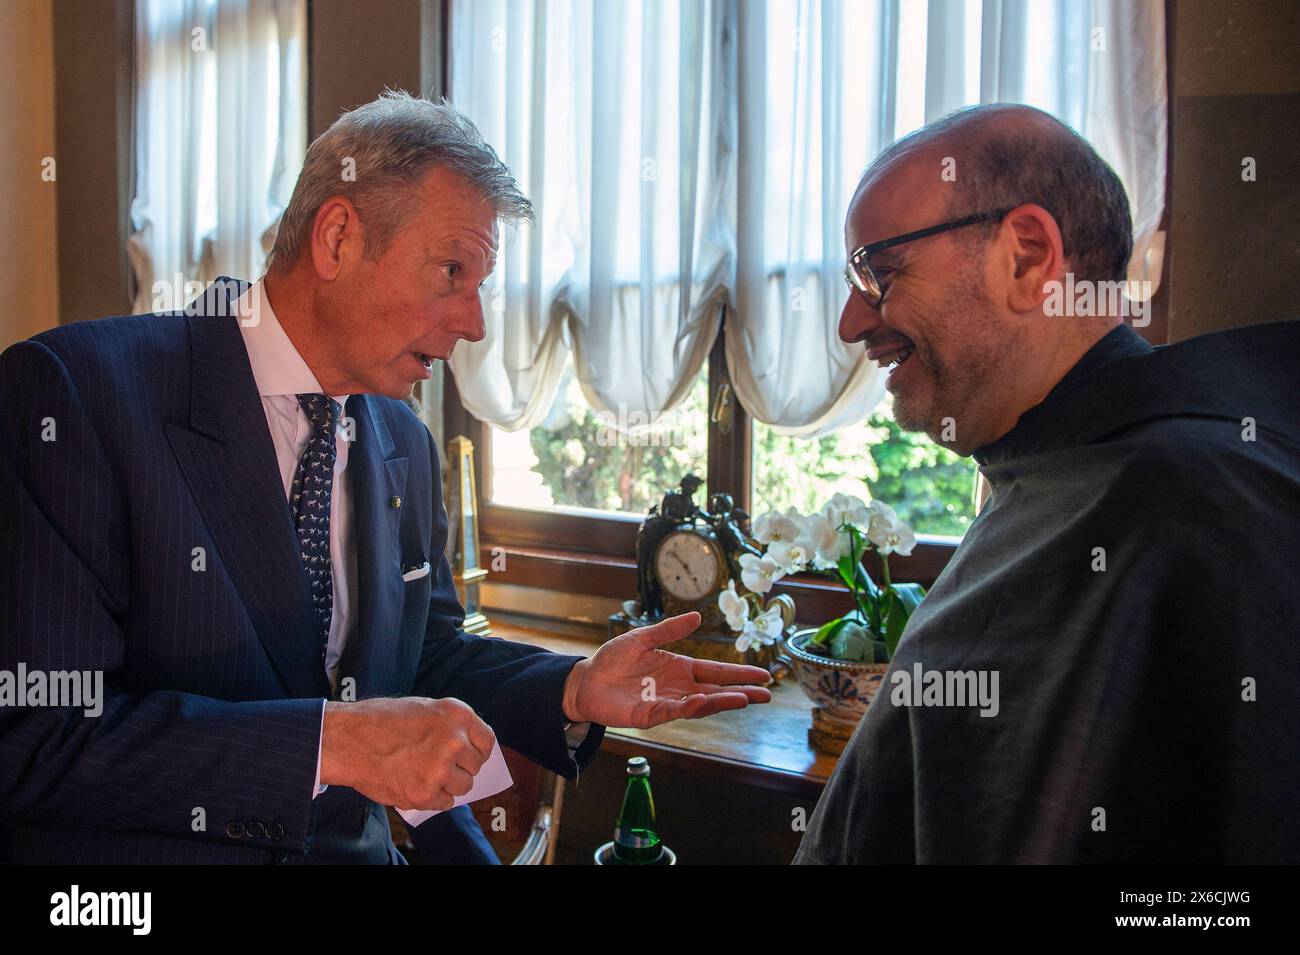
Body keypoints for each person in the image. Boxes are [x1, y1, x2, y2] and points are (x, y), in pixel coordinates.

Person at [0, 92, 771, 864]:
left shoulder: (403, 436)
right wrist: (332, 742)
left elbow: (423, 653)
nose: (474, 324)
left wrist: (569, 688)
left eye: (482, 284)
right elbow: (38, 739)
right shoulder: (73, 394)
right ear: (337, 238)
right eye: (451, 270)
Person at [795, 104, 1299, 864]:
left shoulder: (1196, 499)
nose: (850, 322)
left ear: (1028, 256)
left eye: (880, 271)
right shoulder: (1048, 465)